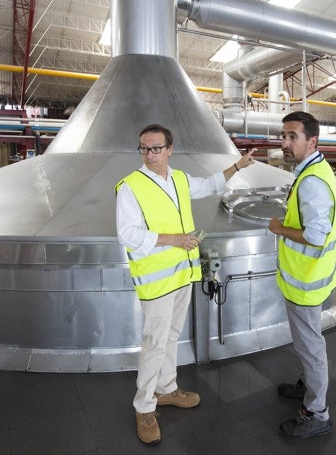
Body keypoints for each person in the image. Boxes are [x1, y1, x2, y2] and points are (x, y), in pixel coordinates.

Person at [115, 124, 255, 445]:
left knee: (172, 336)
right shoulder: (130, 187)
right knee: (154, 341)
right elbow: (129, 235)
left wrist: (237, 165)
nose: (149, 154)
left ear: (169, 149)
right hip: (157, 280)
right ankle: (144, 407)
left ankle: (166, 389)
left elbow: (208, 185)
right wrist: (174, 240)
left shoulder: (178, 179)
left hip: (182, 275)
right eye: (143, 148)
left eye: (155, 148)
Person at [268, 111, 336, 440]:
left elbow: (315, 235)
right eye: (283, 135)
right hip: (313, 277)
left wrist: (279, 228)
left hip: (306, 282)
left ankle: (317, 413)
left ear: (312, 141)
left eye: (292, 136)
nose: (284, 142)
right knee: (309, 343)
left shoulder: (311, 182)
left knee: (311, 346)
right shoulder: (316, 169)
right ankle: (307, 385)